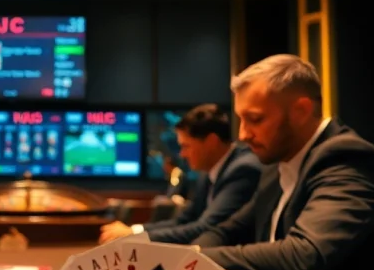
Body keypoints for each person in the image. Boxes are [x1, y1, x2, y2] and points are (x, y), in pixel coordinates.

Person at [192, 54, 374, 270]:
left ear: (301, 111)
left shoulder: (348, 158)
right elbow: (230, 229)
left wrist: (198, 259)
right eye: (241, 119)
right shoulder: (277, 164)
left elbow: (305, 254)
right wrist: (196, 252)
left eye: (256, 119)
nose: (243, 134)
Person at [99, 104, 262, 244]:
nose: (182, 154)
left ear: (211, 142)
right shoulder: (208, 172)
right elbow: (184, 220)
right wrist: (135, 230)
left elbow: (206, 227)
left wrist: (134, 235)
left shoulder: (243, 169)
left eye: (186, 146)